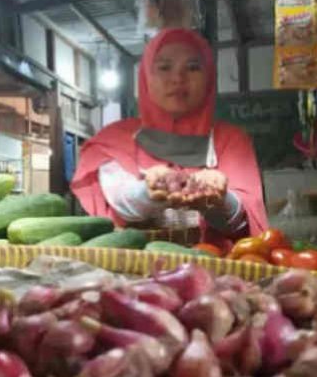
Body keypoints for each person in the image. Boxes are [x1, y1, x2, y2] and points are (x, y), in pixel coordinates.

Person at [71, 28, 268, 248]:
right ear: (146, 77)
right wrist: (150, 191)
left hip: (215, 268)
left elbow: (243, 221)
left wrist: (216, 199)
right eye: (164, 67)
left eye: (193, 68)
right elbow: (120, 202)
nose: (178, 78)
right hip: (132, 271)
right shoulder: (114, 138)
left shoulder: (231, 141)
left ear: (209, 79)